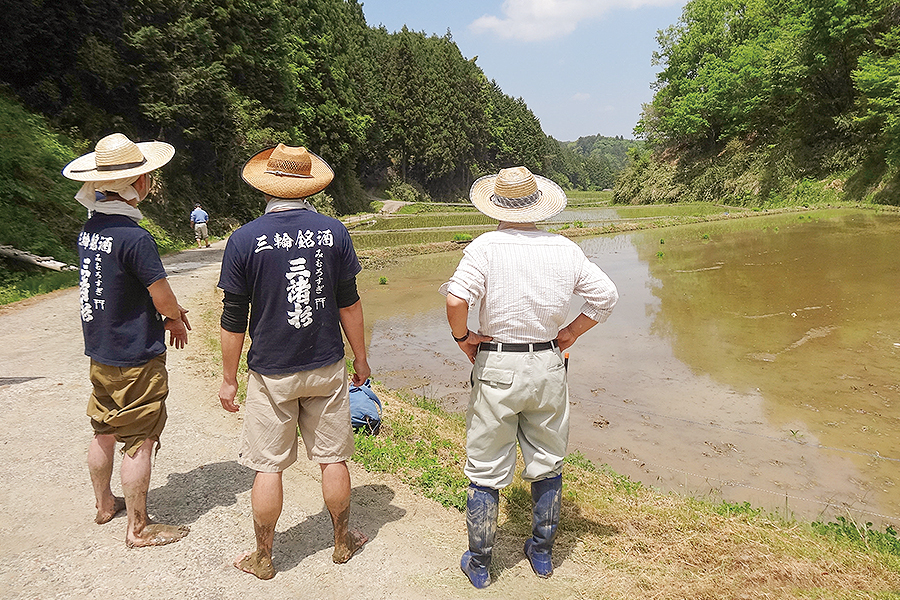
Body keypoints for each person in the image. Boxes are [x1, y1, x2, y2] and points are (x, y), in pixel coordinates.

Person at [440, 166, 619, 588]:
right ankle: (540, 553)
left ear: (495, 205)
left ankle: (481, 564)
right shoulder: (564, 248)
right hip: (547, 364)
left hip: (497, 363)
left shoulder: (484, 247)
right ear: (538, 206)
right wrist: (572, 332)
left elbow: (455, 297)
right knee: (547, 460)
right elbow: (606, 296)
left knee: (485, 466)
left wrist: (464, 338)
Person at [217, 144, 369, 580]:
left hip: (270, 373)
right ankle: (341, 541)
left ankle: (263, 557)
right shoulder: (334, 232)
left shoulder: (244, 239)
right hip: (326, 366)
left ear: (267, 187)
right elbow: (349, 303)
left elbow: (233, 317)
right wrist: (361, 358)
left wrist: (229, 379)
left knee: (268, 466)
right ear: (309, 187)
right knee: (332, 458)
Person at [62, 132, 192, 548]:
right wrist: (175, 318)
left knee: (102, 428)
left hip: (100, 350)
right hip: (135, 354)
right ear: (136, 184)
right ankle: (138, 527)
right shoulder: (135, 237)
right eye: (148, 176)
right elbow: (161, 293)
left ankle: (104, 505)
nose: (150, 181)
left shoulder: (91, 230)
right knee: (140, 436)